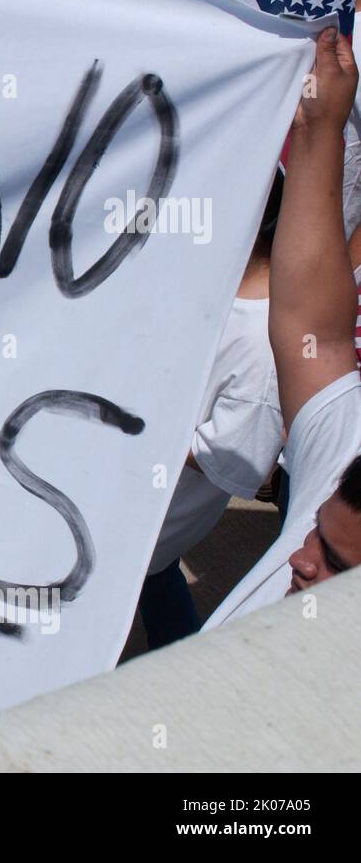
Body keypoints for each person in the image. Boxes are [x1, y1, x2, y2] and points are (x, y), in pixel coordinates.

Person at [208, 27, 361, 625]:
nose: (298, 558)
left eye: (337, 564)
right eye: (314, 529)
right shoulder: (348, 452)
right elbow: (314, 330)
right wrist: (318, 129)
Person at [138, 176, 284, 647]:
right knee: (155, 580)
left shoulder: (264, 341)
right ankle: (183, 657)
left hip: (158, 510)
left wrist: (137, 425)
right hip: (138, 497)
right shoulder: (205, 281)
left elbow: (237, 455)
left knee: (140, 570)